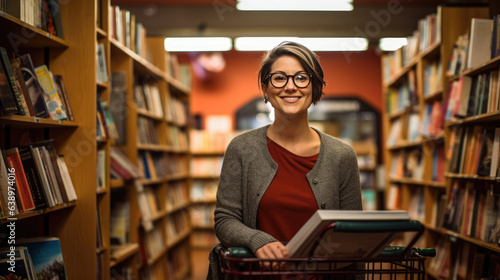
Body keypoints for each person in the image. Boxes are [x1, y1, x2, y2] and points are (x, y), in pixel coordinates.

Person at [208, 41, 362, 279]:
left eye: (302, 78)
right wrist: (256, 240)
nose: (290, 87)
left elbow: (353, 236)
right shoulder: (241, 149)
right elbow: (225, 220)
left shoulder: (342, 156)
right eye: (279, 78)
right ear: (266, 88)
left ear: (315, 86)